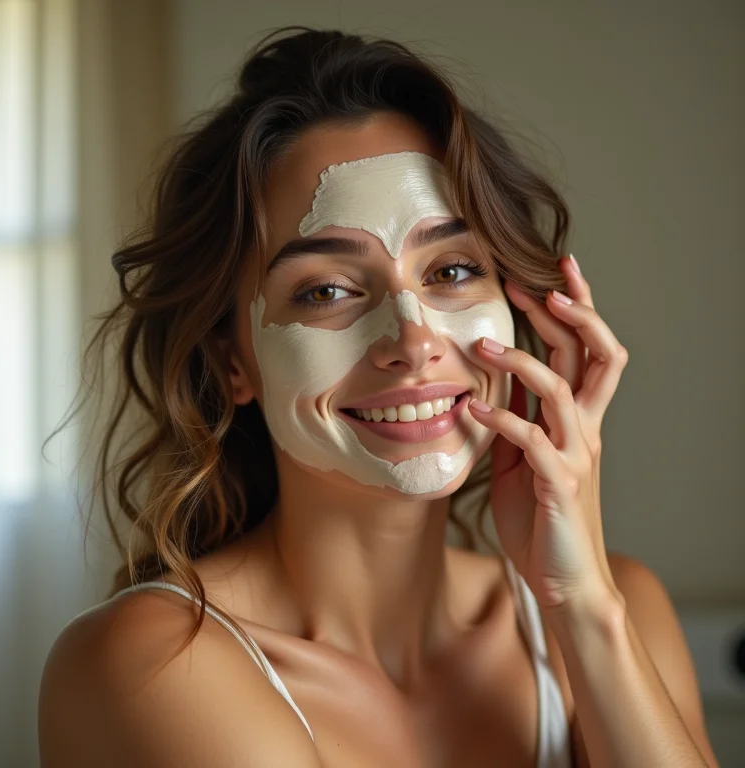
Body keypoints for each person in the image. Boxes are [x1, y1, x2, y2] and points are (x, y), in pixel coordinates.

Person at [38, 26, 718, 768]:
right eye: (327, 289)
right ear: (231, 360)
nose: (415, 337)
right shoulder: (152, 663)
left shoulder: (618, 605)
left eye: (452, 270)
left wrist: (582, 608)